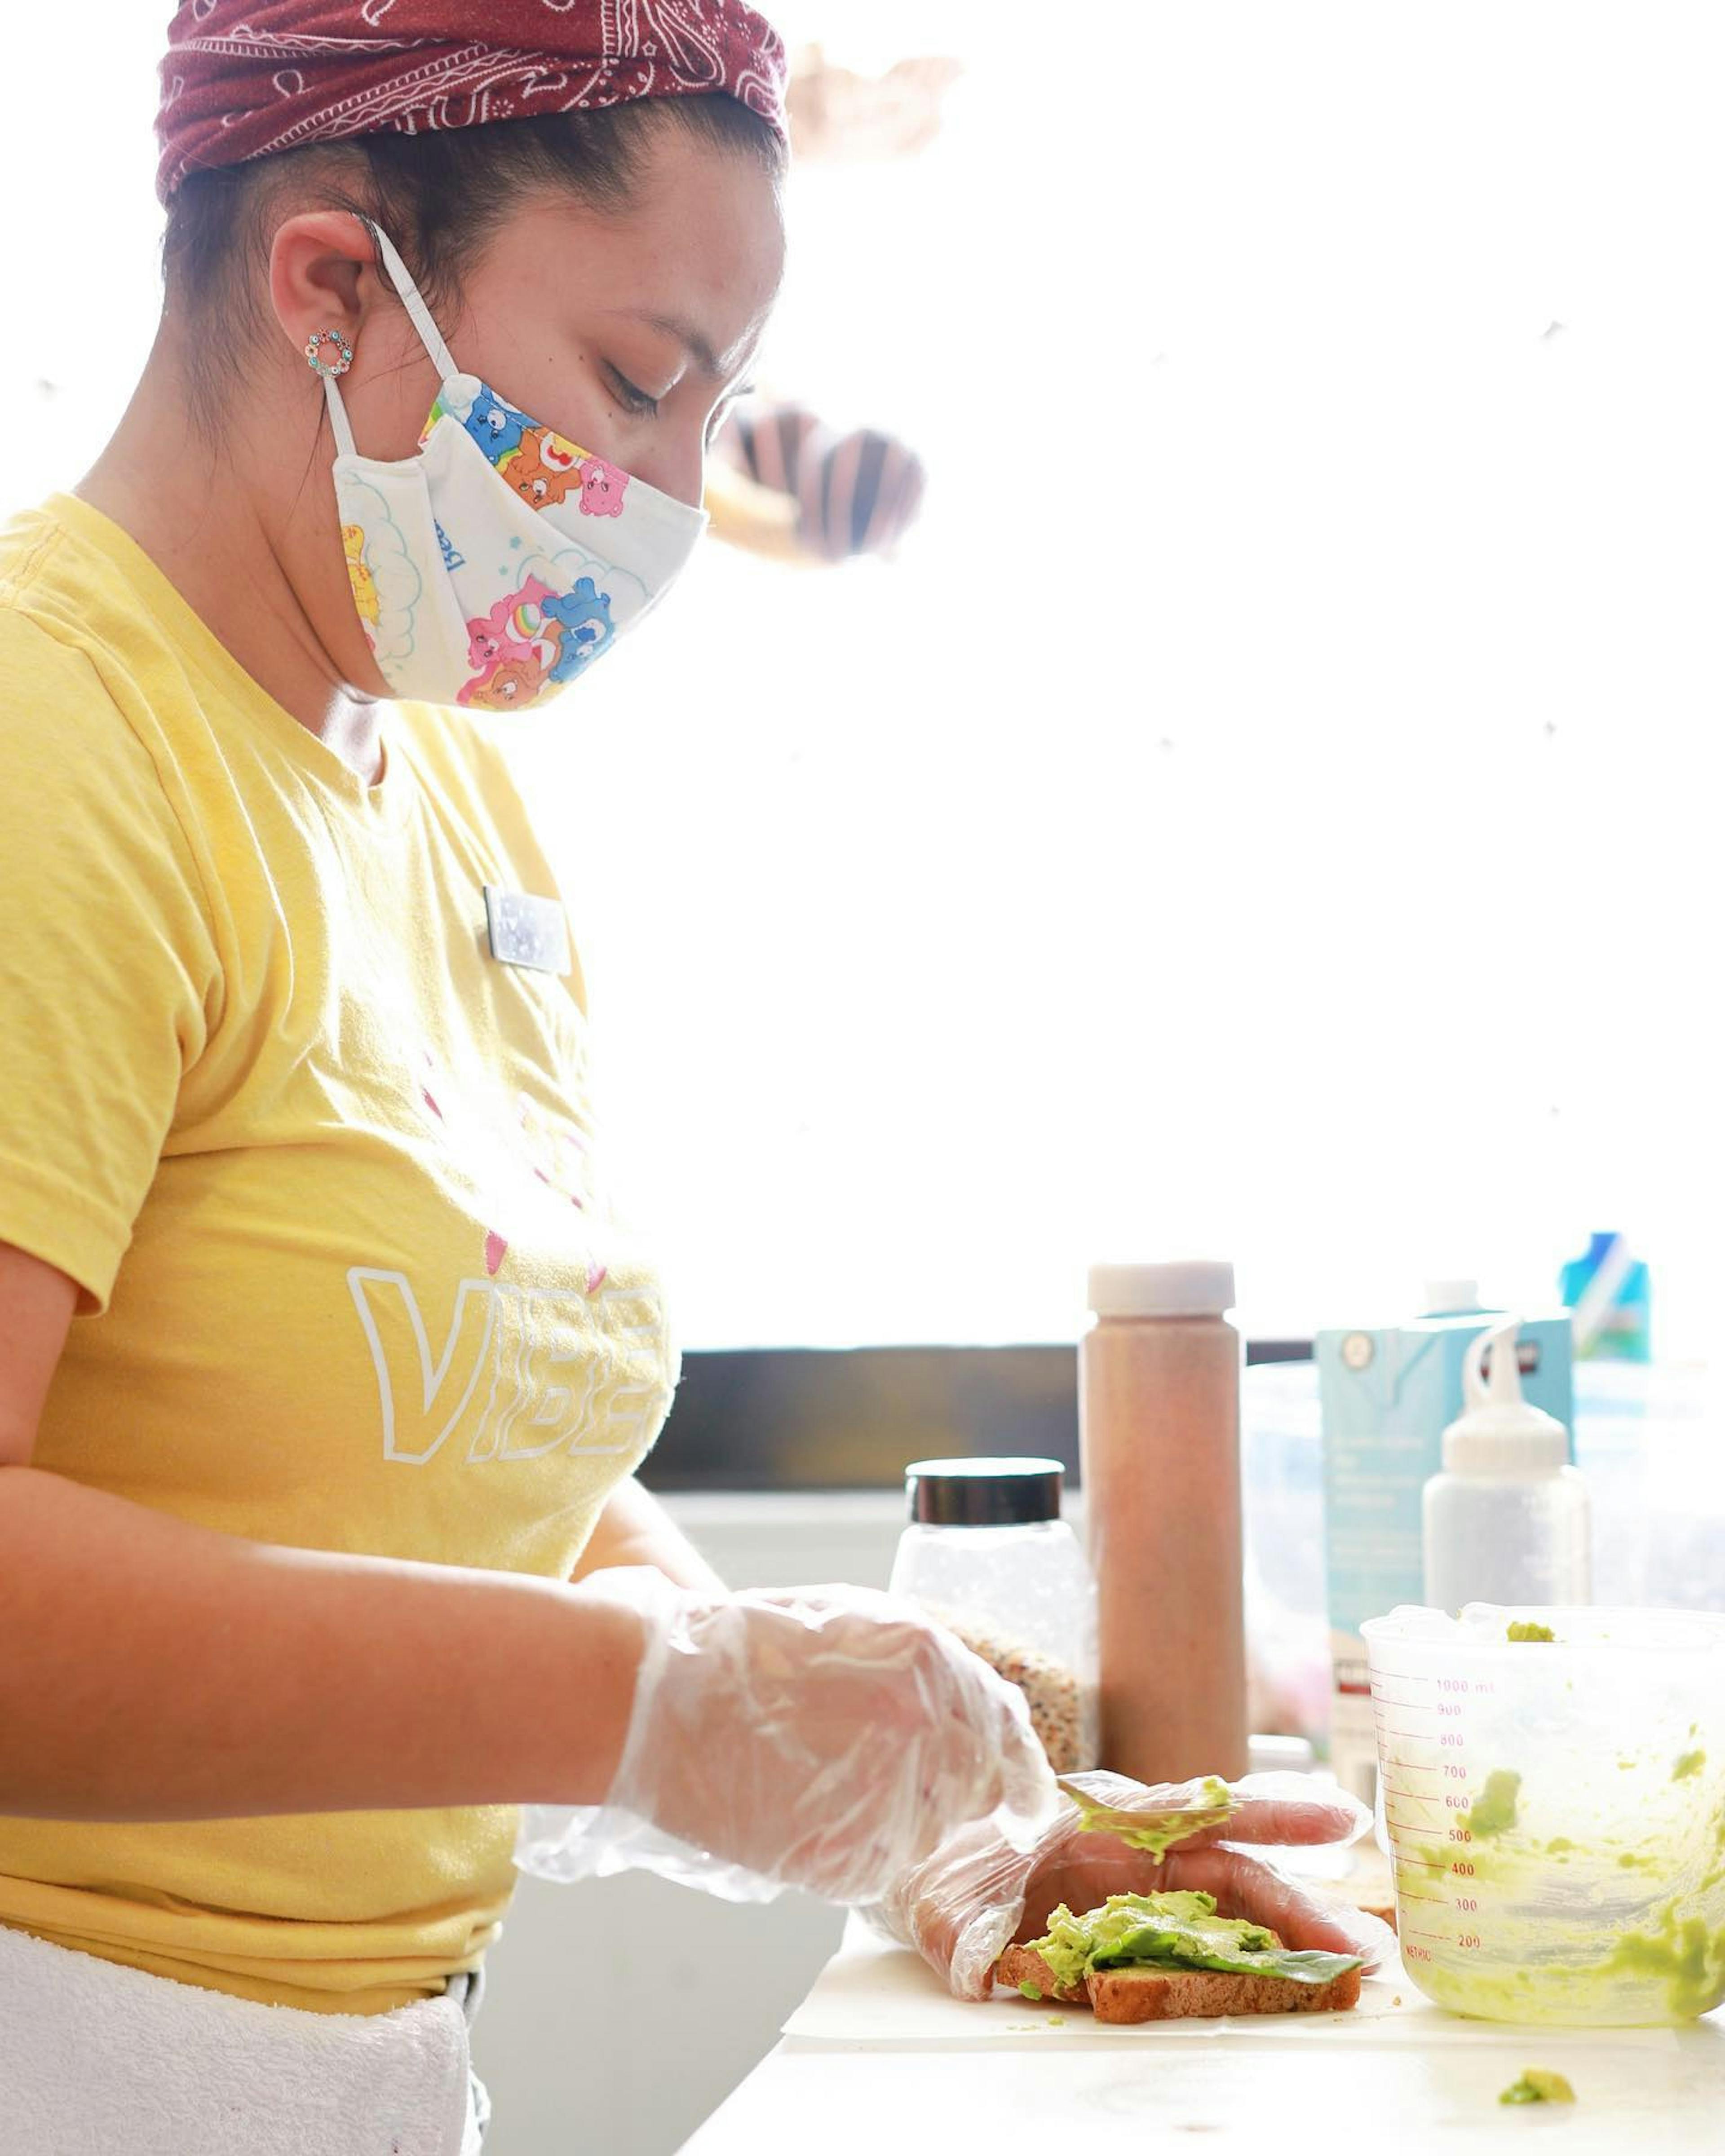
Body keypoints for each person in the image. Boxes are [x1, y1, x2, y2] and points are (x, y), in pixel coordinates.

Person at [0, 6, 1391, 2149]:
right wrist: (651, 1713)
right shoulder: (52, 745)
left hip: (362, 2076)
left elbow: (449, 1470)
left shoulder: (440, 787)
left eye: (713, 408)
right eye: (638, 384)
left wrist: (877, 1793)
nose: (663, 500)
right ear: (330, 285)